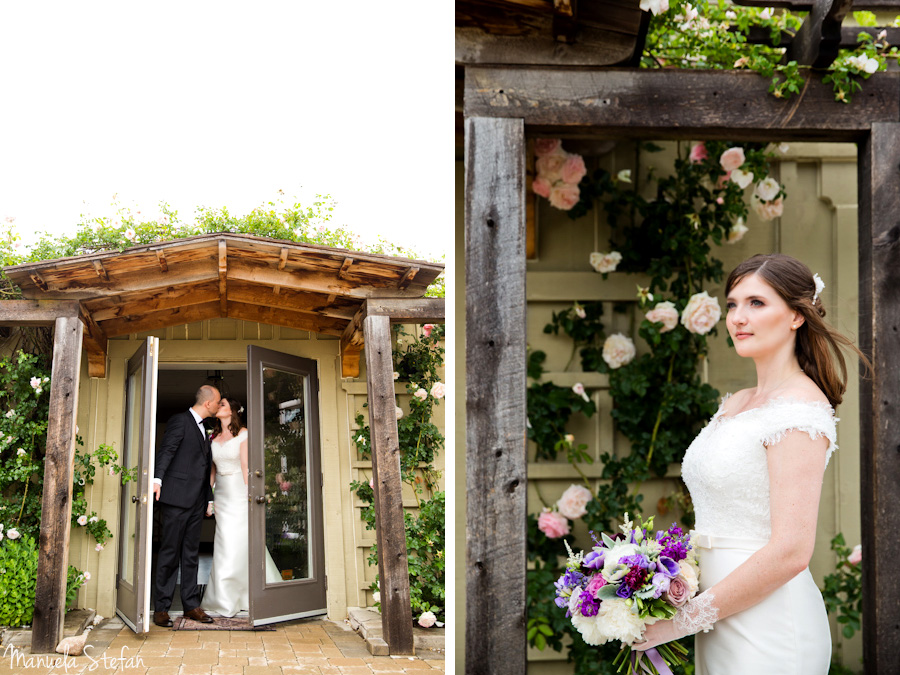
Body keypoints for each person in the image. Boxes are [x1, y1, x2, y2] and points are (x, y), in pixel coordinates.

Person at [633, 254, 868, 674]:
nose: (739, 317)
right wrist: (649, 579)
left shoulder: (799, 408)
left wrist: (682, 622)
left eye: (757, 303)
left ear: (797, 316)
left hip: (769, 625)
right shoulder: (736, 403)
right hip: (717, 615)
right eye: (732, 304)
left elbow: (792, 550)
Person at [201, 397, 282, 617]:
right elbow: (212, 472)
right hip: (221, 494)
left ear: (234, 411)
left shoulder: (244, 435)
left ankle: (250, 596)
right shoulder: (213, 437)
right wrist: (208, 499)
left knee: (239, 542)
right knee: (224, 543)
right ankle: (225, 597)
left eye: (223, 404)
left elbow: (247, 468)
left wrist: (251, 497)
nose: (218, 406)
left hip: (239, 492)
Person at [152, 384, 221, 627]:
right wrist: (157, 479)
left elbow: (203, 469)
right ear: (208, 403)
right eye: (218, 402)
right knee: (169, 554)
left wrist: (208, 498)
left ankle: (191, 605)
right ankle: (161, 608)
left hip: (196, 502)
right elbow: (166, 451)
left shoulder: (206, 429)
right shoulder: (180, 421)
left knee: (190, 555)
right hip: (175, 499)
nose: (218, 406)